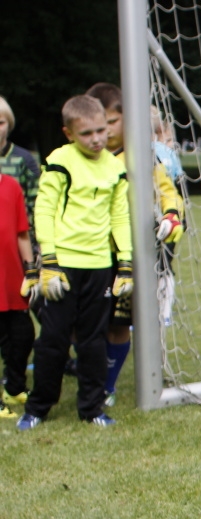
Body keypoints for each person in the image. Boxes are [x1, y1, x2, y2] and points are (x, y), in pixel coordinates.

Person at [17, 95, 131, 430]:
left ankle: (92, 408)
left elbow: (119, 215)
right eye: (87, 134)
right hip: (62, 266)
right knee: (53, 338)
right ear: (69, 133)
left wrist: (124, 262)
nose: (97, 139)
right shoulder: (59, 161)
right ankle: (38, 408)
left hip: (100, 266)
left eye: (102, 130)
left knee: (93, 339)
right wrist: (48, 259)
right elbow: (45, 210)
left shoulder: (114, 166)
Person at [87, 83, 184, 408]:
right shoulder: (76, 158)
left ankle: (107, 387)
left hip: (129, 257)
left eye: (113, 122)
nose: (106, 132)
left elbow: (168, 192)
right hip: (88, 255)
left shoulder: (142, 158)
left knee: (119, 323)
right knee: (82, 325)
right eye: (101, 124)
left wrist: (172, 217)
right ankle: (85, 371)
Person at [0, 172, 34, 418]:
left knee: (23, 335)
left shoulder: (11, 185)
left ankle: (14, 388)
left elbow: (22, 233)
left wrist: (30, 270)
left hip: (12, 277)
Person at [0, 97, 40, 235]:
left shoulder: (24, 158)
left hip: (18, 235)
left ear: (9, 124)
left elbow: (36, 202)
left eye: (0, 123)